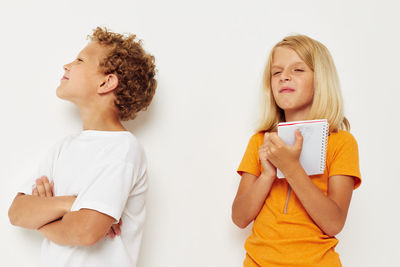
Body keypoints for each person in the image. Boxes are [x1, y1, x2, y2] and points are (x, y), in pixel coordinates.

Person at [8, 27, 157, 267]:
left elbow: (85, 232)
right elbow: (17, 213)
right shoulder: (63, 147)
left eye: (79, 60)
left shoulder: (124, 150)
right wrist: (71, 203)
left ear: (106, 82)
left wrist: (43, 215)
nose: (66, 65)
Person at [232, 35, 361, 266]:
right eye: (276, 72)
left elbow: (334, 223)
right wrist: (268, 174)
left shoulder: (342, 143)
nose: (285, 77)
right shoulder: (260, 141)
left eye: (298, 70)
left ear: (320, 79)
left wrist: (290, 167)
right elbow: (239, 218)